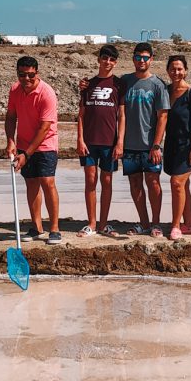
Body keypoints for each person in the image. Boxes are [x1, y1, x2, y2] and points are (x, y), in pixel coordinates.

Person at [5, 56, 61, 244]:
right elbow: (11, 117)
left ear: (37, 73)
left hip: (45, 144)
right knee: (31, 183)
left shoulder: (47, 93)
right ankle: (36, 227)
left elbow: (44, 128)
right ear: (18, 74)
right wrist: (10, 140)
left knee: (47, 181)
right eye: (22, 75)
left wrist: (27, 154)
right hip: (23, 143)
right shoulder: (14, 90)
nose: (26, 79)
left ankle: (54, 228)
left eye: (30, 75)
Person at [119, 43, 170, 237]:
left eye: (145, 57)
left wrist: (156, 145)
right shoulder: (125, 81)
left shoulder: (158, 84)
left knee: (153, 182)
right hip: (130, 145)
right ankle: (144, 222)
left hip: (151, 145)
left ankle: (156, 223)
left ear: (151, 59)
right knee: (135, 184)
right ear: (133, 59)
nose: (142, 61)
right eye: (138, 57)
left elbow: (163, 116)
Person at [75, 45, 125, 238]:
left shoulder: (119, 85)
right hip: (89, 141)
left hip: (109, 142)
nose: (108, 62)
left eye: (112, 60)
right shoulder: (88, 85)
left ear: (115, 62)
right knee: (90, 180)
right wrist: (80, 139)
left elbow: (122, 115)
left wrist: (120, 141)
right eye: (105, 58)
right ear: (99, 59)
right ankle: (91, 223)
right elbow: (81, 115)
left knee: (107, 181)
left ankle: (104, 223)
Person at [163, 55, 191, 241]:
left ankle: (175, 226)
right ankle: (189, 223)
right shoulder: (165, 90)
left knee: (176, 184)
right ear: (168, 71)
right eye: (173, 69)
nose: (176, 72)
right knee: (183, 185)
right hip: (171, 145)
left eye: (180, 69)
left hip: (190, 145)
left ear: (186, 71)